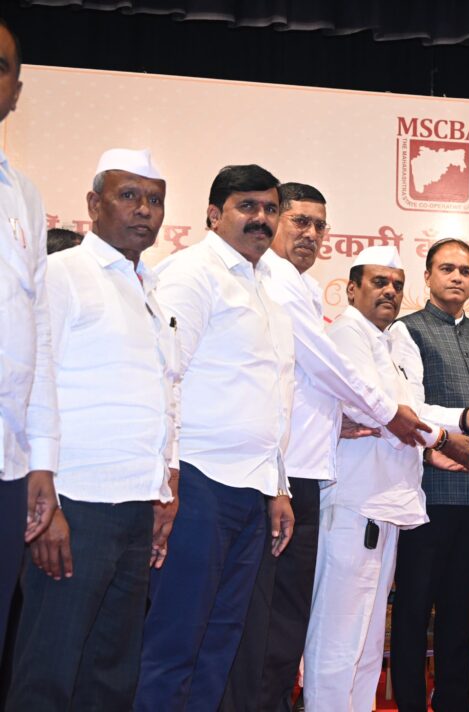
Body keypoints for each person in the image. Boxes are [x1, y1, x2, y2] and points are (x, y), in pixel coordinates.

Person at [222, 184, 430, 712]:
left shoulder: (333, 307)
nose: (310, 234)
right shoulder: (324, 319)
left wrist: (435, 424)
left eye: (319, 226)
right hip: (301, 484)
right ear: (352, 289)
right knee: (314, 634)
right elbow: (364, 397)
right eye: (299, 221)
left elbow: (398, 408)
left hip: (329, 486)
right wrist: (397, 418)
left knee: (342, 636)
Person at [5, 149, 177, 709]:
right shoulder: (63, 275)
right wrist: (46, 507)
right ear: (93, 203)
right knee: (48, 673)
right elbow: (35, 385)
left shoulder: (149, 287)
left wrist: (162, 487)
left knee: (110, 677)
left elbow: (161, 394)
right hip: (75, 506)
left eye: (154, 200)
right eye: (128, 196)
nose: (144, 210)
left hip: (134, 507)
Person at [135, 164, 297, 712]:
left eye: (270, 208)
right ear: (213, 213)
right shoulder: (191, 273)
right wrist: (167, 479)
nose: (261, 218)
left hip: (252, 490)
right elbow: (166, 377)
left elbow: (273, 396)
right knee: (175, 639)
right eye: (247, 206)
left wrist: (279, 487)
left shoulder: (268, 287)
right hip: (198, 481)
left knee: (221, 644)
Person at [302, 245, 469, 711]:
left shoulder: (387, 342)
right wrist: (442, 441)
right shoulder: (347, 333)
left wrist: (443, 438)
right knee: (339, 634)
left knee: (367, 641)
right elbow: (379, 410)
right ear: (351, 289)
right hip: (355, 505)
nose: (389, 291)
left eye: (396, 285)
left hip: (388, 507)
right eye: (379, 282)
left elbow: (413, 410)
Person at [389, 238, 469, 711]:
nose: (457, 277)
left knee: (460, 616)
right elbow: (409, 408)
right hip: (428, 495)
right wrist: (465, 417)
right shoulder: (407, 331)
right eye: (447, 268)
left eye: (466, 270)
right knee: (414, 611)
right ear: (427, 276)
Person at [0, 17, 59, 658]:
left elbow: (36, 337)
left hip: (9, 464)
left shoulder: (24, 196)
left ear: (16, 91)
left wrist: (40, 459)